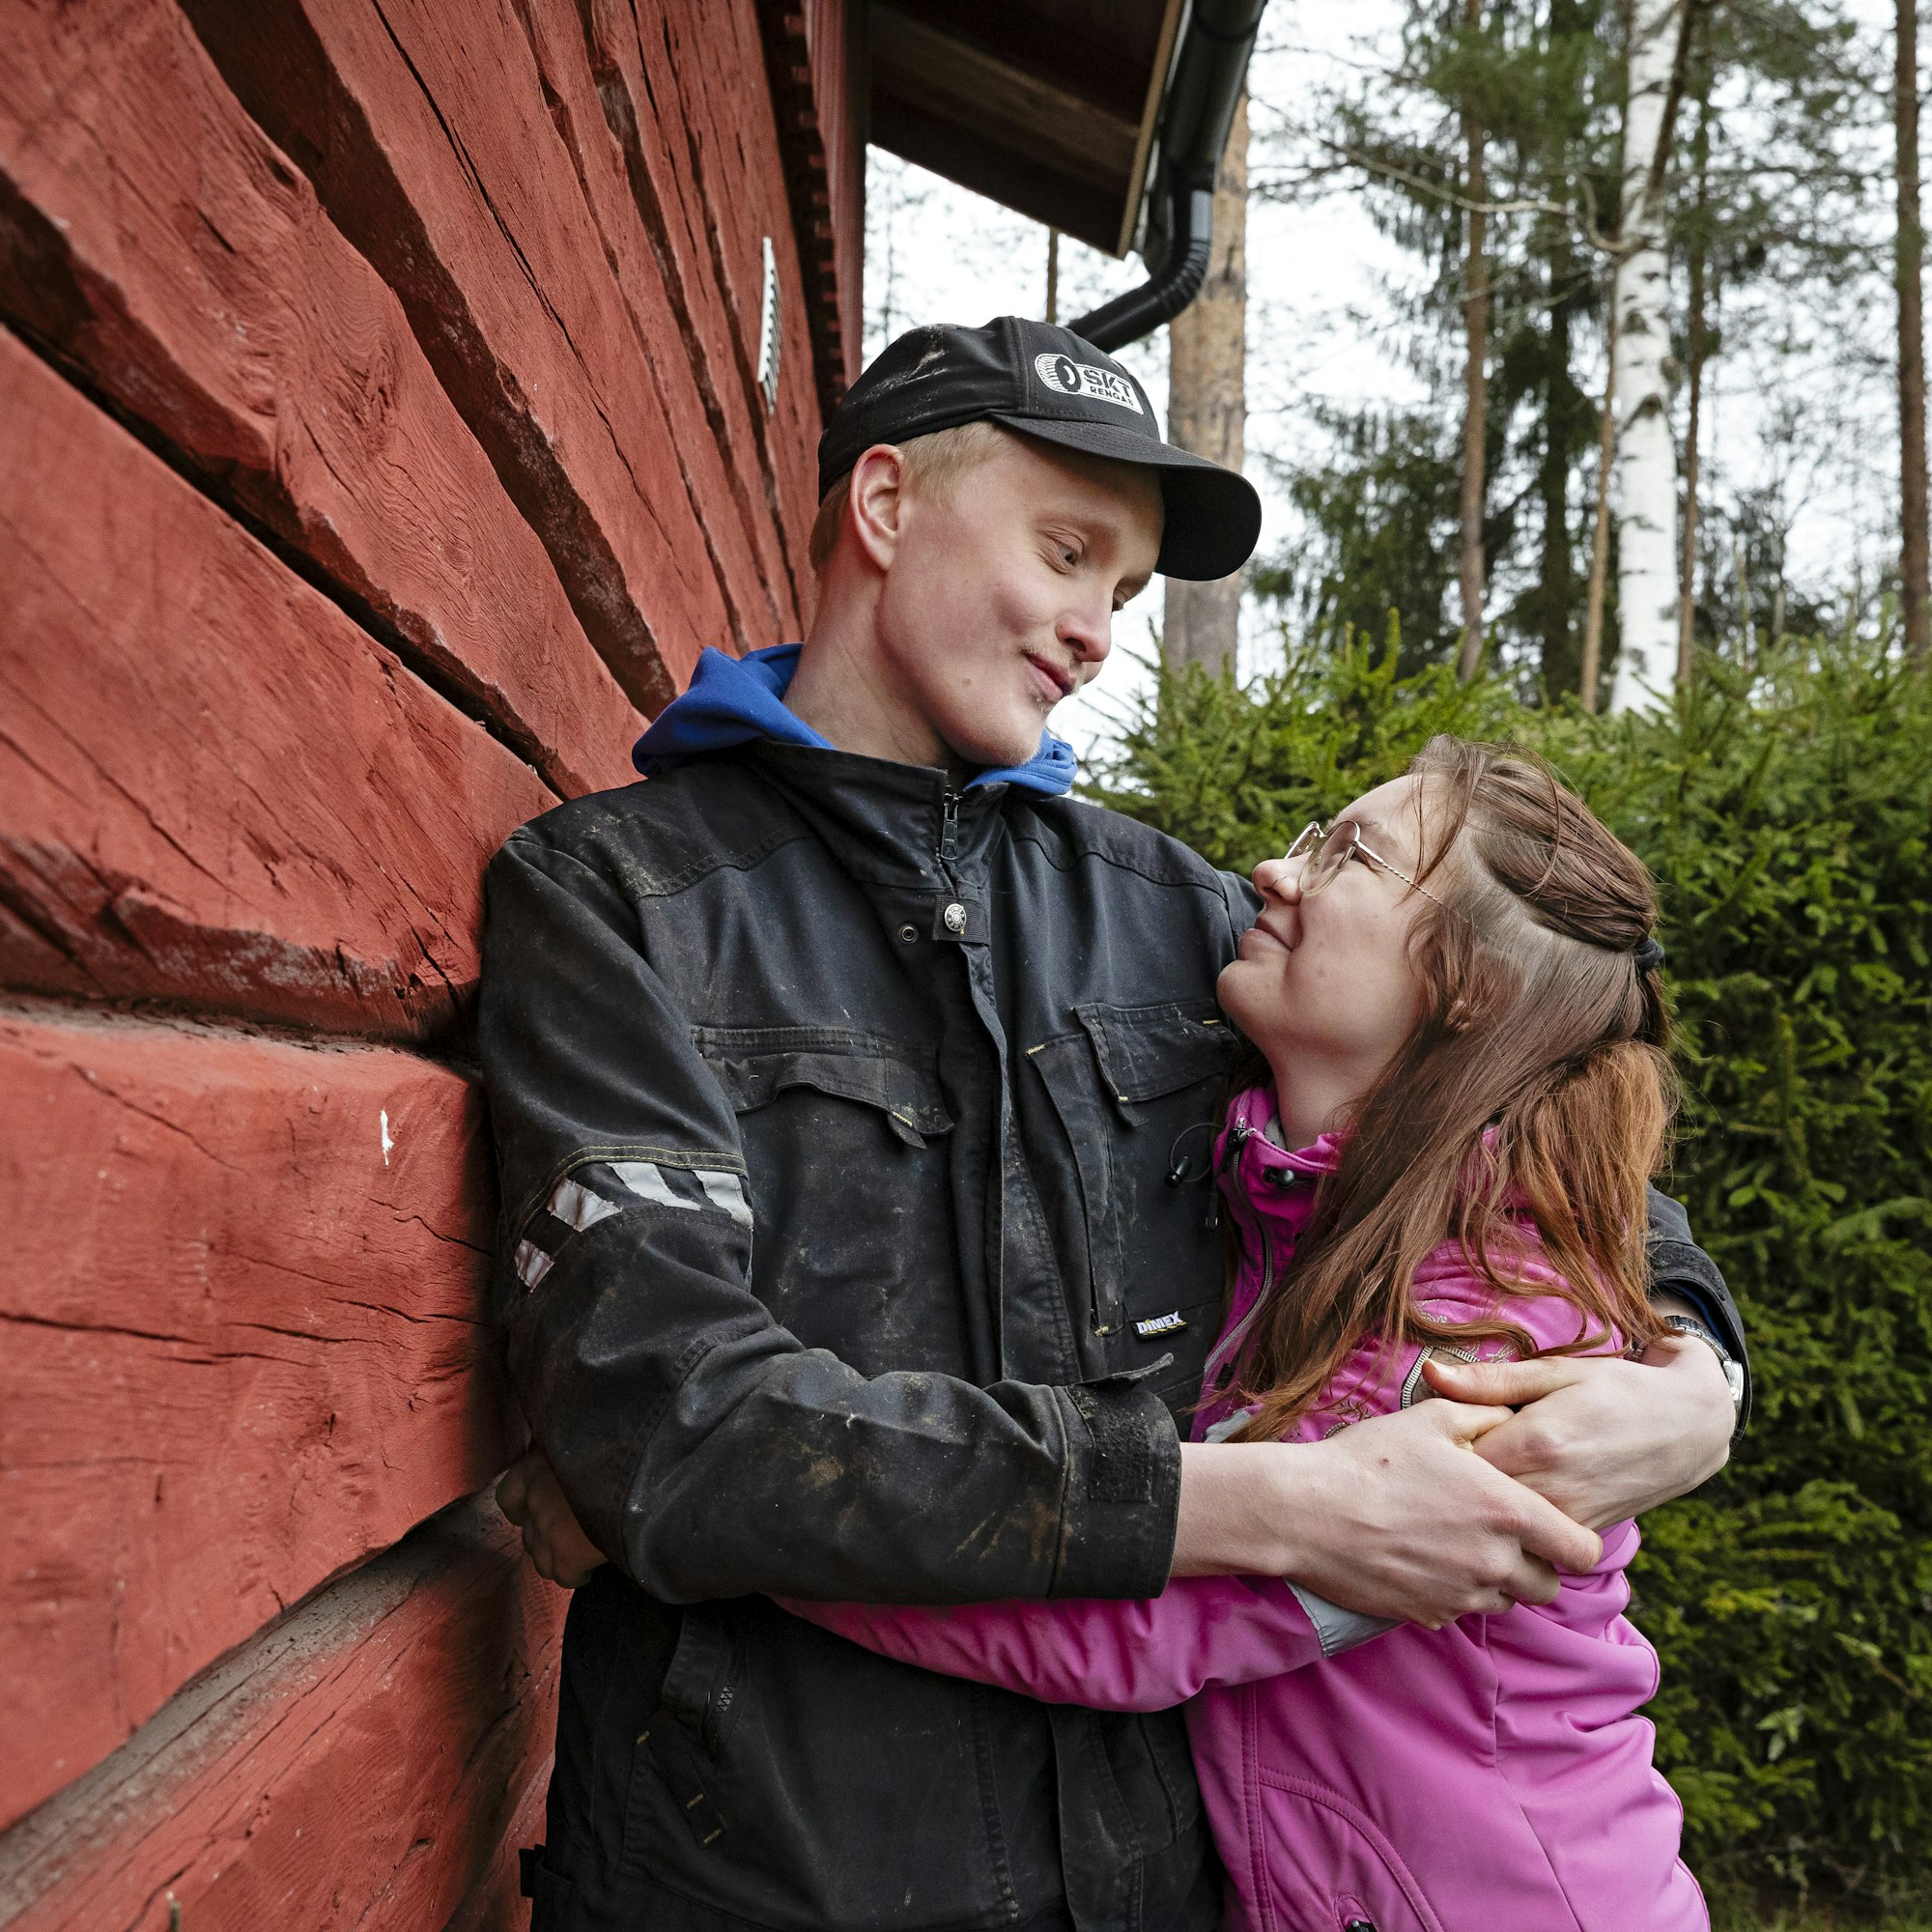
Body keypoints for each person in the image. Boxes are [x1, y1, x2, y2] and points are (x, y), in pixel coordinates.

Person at [479, 318, 1747, 1932]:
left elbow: (1513, 1151)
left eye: (1127, 597)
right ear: (883, 508)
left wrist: (1700, 1378)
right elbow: (657, 1415)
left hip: (1160, 1887)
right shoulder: (616, 902)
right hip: (767, 1875)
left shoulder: (1180, 922)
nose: (1094, 634)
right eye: (1067, 553)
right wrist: (1268, 1507)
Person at [782, 740, 1714, 1931]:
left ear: (1468, 983)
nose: (1275, 870)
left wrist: (754, 1527)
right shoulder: (1286, 1203)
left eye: (1350, 854)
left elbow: (1139, 1620)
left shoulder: (1489, 1321)